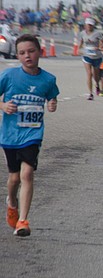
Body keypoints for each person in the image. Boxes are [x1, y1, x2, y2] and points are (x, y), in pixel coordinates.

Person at [0, 35, 59, 237]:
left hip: (32, 134)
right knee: (14, 178)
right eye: (23, 53)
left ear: (39, 52)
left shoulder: (48, 79)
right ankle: (12, 202)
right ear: (17, 56)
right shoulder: (9, 76)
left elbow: (52, 96)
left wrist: (52, 104)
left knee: (27, 174)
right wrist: (3, 105)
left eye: (31, 51)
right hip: (10, 135)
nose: (28, 56)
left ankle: (23, 221)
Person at [77, 17, 103, 100]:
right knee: (89, 74)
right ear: (85, 25)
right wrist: (79, 50)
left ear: (93, 26)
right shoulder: (82, 33)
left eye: (91, 25)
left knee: (95, 75)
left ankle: (97, 84)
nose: (89, 26)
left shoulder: (98, 34)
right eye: (88, 25)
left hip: (96, 56)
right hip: (87, 56)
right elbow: (81, 42)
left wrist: (99, 47)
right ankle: (90, 93)